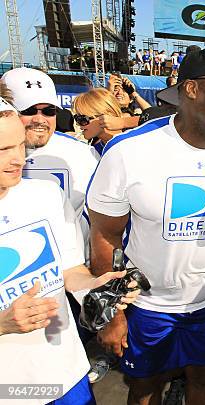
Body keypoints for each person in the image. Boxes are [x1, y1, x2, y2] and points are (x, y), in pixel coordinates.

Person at [87, 48, 205, 405]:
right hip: (147, 307)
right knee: (144, 389)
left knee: (202, 382)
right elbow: (104, 237)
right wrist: (110, 313)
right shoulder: (129, 152)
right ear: (191, 89)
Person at [0, 94, 141, 405]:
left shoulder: (46, 195)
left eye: (20, 145)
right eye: (3, 150)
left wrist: (98, 285)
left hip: (67, 372)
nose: (19, 160)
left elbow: (72, 272)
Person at [1, 67, 99, 252]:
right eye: (29, 110)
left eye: (49, 110)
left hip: (75, 272)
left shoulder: (84, 155)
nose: (40, 119)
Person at [72, 88, 125, 156]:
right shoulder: (94, 151)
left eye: (82, 119)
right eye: (76, 118)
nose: (77, 124)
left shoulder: (133, 144)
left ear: (106, 116)